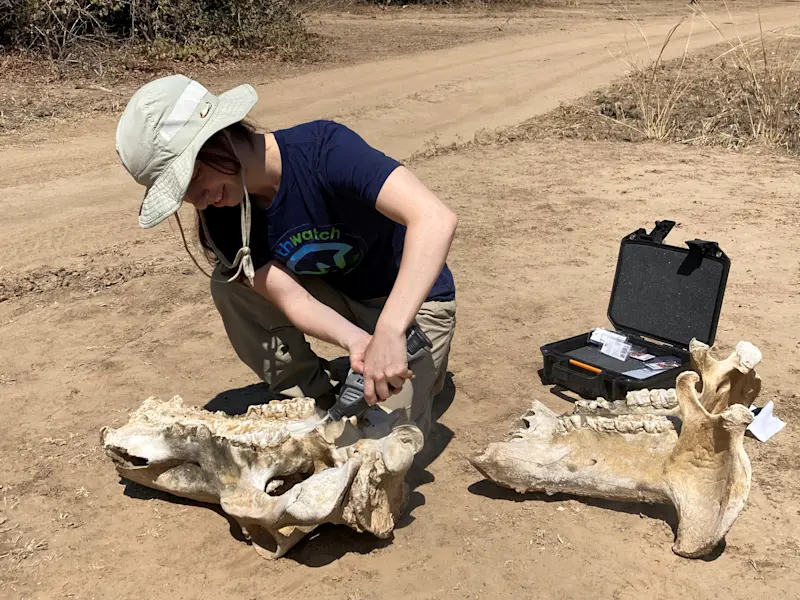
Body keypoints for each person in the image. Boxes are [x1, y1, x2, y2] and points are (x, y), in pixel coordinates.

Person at [114, 74, 457, 438]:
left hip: (410, 306)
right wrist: (359, 343)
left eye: (193, 178)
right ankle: (314, 400)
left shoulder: (324, 150)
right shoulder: (223, 212)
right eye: (182, 192)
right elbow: (291, 297)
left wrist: (388, 333)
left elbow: (434, 218)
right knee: (231, 285)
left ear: (221, 136)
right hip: (342, 299)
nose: (197, 199)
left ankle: (409, 371)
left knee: (381, 446)